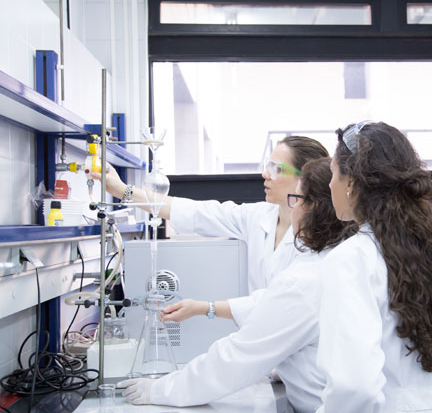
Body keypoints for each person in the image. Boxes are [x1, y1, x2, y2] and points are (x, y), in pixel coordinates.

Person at [118, 158, 355, 413]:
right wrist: (122, 191)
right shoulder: (337, 258)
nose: (265, 174)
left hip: (331, 412)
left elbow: (238, 357)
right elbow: (274, 304)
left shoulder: (309, 276)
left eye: (296, 199)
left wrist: (160, 390)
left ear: (316, 207)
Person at [278, 121, 432, 413]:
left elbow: (354, 387)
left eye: (333, 174)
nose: (330, 185)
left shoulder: (352, 259)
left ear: (352, 183)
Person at [94, 136, 329, 321]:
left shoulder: (324, 238)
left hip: (304, 364)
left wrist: (206, 308)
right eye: (268, 166)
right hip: (269, 358)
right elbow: (194, 213)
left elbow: (280, 304)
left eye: (276, 168)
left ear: (305, 177)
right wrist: (122, 190)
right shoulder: (257, 217)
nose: (265, 174)